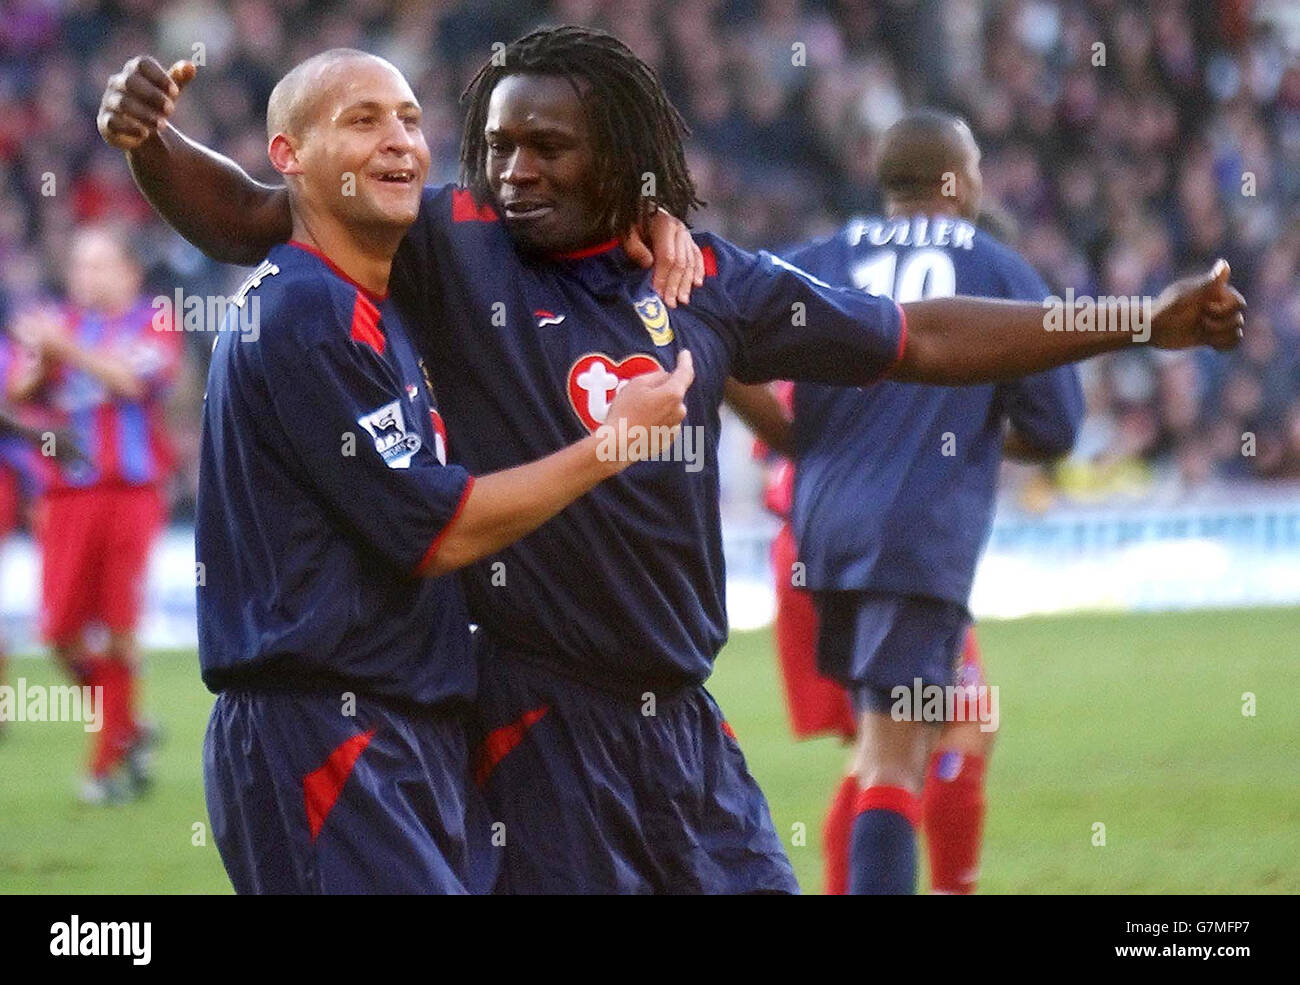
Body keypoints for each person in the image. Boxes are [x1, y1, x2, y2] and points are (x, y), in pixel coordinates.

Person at [99, 26, 1244, 894]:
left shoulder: (706, 281)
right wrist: (150, 140)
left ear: (625, 165)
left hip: (682, 720)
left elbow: (923, 336)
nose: (513, 172)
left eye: (547, 148)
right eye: (496, 145)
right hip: (534, 720)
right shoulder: (453, 248)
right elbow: (258, 215)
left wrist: (1138, 317)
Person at [191, 49, 693, 894]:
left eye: (410, 121)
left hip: (402, 726)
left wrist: (641, 216)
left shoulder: (379, 307)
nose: (399, 142)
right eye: (362, 121)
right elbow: (437, 528)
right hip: (322, 728)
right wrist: (610, 445)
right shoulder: (306, 311)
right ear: (288, 157)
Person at [726, 110, 1086, 894]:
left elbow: (718, 338)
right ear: (959, 180)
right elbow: (1056, 426)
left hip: (819, 539)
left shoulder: (818, 260)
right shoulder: (993, 265)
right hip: (915, 540)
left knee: (894, 742)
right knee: (906, 747)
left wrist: (796, 441)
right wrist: (984, 430)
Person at [6, 226, 179, 803]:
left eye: (101, 264)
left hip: (130, 494)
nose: (88, 277)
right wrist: (37, 366)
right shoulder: (62, 326)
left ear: (129, 271)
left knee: (120, 630)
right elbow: (21, 395)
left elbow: (133, 382)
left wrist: (62, 351)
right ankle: (127, 725)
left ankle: (105, 769)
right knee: (56, 634)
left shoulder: (154, 321)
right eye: (80, 266)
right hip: (62, 496)